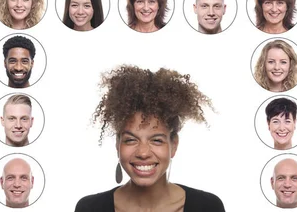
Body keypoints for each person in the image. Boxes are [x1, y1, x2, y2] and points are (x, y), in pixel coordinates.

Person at [75, 65, 225, 211]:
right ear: (117, 145)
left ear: (174, 145)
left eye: (157, 140)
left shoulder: (207, 207)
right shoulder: (90, 208)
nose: (143, 153)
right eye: (131, 140)